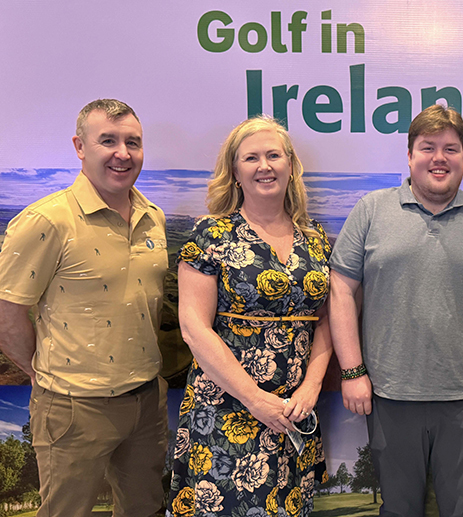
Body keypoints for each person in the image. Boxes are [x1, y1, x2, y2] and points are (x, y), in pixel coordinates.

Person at [329, 104, 463, 517]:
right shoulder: (371, 211)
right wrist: (352, 371)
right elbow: (341, 292)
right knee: (399, 510)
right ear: (409, 155)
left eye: (450, 148)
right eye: (428, 147)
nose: (439, 158)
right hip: (389, 395)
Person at [0, 99, 169, 516]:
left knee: (144, 508)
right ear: (80, 146)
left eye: (133, 142)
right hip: (74, 408)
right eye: (107, 140)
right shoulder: (47, 221)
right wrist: (49, 372)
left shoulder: (154, 217)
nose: (122, 154)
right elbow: (6, 317)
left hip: (147, 401)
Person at [167, 116, 332, 517]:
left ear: (290, 165)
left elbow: (326, 321)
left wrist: (311, 387)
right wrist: (255, 399)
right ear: (235, 171)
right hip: (226, 412)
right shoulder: (209, 237)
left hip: (294, 413)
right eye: (251, 158)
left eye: (274, 155)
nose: (264, 166)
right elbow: (193, 328)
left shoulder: (316, 240)